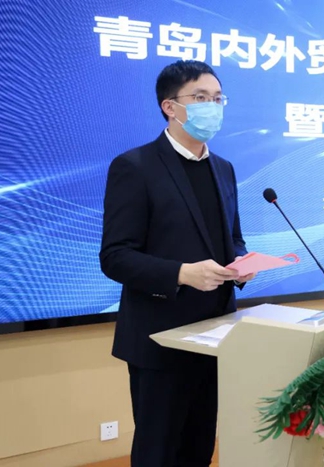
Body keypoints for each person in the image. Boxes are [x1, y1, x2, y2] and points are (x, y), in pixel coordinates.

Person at [99, 59, 254, 467]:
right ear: (170, 106)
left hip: (215, 335)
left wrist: (240, 264)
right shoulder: (135, 167)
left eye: (217, 99)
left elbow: (232, 239)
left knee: (198, 450)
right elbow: (115, 257)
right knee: (159, 453)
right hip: (160, 339)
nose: (212, 107)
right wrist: (182, 274)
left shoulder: (223, 169)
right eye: (201, 98)